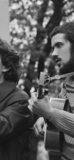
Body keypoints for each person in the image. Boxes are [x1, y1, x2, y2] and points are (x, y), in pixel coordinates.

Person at [29, 22, 74, 160]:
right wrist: (45, 117)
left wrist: (50, 113)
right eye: (53, 47)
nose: (53, 54)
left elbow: (54, 113)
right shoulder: (68, 82)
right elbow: (60, 108)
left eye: (59, 45)